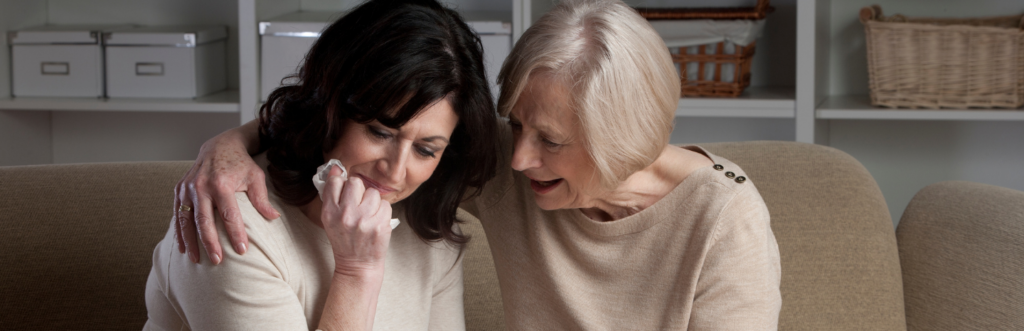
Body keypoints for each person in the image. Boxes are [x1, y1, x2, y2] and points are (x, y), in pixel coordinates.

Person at [173, 0, 782, 329]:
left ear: (622, 143)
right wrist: (225, 147)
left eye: (550, 140)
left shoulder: (725, 221)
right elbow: (354, 115)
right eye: (516, 124)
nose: (518, 157)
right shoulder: (497, 165)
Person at [143, 0, 499, 329]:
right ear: (331, 111)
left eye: (425, 150)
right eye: (379, 132)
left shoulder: (428, 227)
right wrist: (358, 270)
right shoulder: (233, 224)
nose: (395, 172)